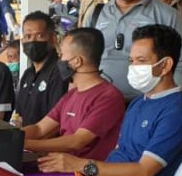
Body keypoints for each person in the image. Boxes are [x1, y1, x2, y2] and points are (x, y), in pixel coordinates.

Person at [40, 24, 182, 176]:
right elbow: (117, 156)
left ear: (165, 65)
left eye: (141, 61)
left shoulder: (175, 111)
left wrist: (80, 165)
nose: (133, 67)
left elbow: (143, 172)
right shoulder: (138, 103)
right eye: (131, 61)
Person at [22, 28, 125, 159]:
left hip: (85, 175)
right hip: (61, 167)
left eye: (61, 56)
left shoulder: (109, 97)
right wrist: (8, 136)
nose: (59, 61)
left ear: (76, 61)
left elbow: (76, 142)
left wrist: (24, 144)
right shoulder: (71, 95)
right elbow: (40, 129)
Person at [16, 11, 72, 127]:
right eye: (28, 36)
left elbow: (56, 121)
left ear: (53, 39)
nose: (33, 41)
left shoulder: (60, 72)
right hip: (27, 140)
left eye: (40, 36)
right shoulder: (27, 74)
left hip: (46, 142)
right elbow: (19, 116)